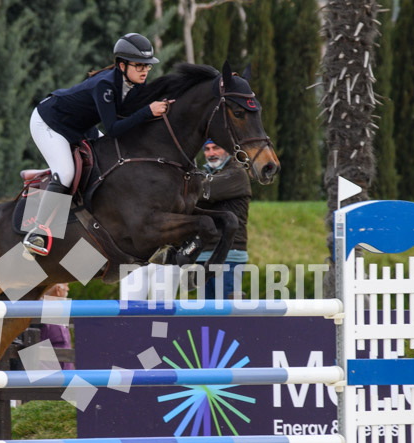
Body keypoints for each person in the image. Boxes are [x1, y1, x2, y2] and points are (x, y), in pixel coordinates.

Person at [24, 33, 171, 256]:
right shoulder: (105, 85)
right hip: (50, 121)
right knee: (65, 173)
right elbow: (114, 129)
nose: (145, 71)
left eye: (148, 66)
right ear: (122, 65)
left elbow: (133, 116)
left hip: (80, 125)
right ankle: (37, 232)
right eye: (139, 65)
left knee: (111, 160)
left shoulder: (136, 83)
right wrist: (148, 111)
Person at [195, 140, 252, 299]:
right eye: (207, 149)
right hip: (203, 255)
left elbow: (201, 193)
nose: (211, 153)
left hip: (228, 255)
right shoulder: (204, 175)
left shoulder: (236, 173)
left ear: (227, 149)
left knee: (228, 310)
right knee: (205, 311)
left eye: (216, 148)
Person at [38, 283, 74, 370]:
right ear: (58, 290)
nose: (68, 289)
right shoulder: (52, 314)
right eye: (66, 285)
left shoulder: (39, 309)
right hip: (54, 373)